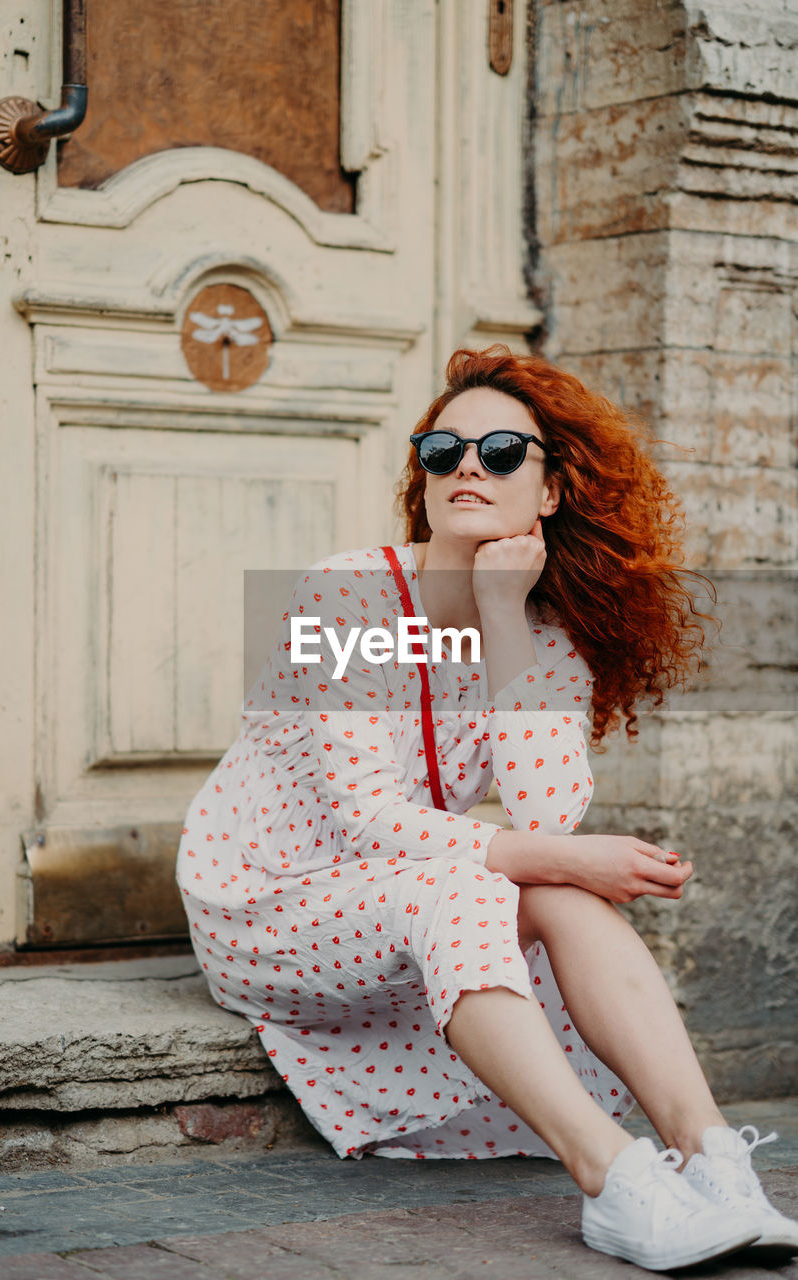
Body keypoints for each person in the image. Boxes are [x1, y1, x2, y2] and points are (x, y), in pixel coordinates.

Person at [177, 347, 798, 1272]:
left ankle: (711, 1162)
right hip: (271, 900)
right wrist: (569, 858)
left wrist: (502, 616)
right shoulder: (341, 593)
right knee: (493, 888)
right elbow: (366, 822)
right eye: (444, 451)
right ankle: (614, 1182)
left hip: (405, 891)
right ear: (422, 477)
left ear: (550, 492)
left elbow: (546, 817)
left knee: (561, 895)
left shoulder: (544, 635)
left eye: (504, 452)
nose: (469, 466)